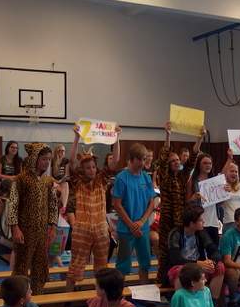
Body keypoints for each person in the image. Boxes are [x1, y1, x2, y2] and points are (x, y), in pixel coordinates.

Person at [65, 124, 121, 291]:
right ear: (82, 169)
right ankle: (67, 300)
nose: (91, 170)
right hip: (81, 230)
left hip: (101, 229)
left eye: (93, 167)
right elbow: (72, 161)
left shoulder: (101, 180)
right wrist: (76, 137)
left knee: (102, 267)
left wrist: (117, 138)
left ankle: (101, 297)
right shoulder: (77, 181)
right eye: (87, 167)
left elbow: (115, 162)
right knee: (75, 266)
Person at [154, 122, 203, 285]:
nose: (176, 162)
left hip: (180, 221)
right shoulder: (165, 177)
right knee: (164, 253)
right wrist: (168, 134)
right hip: (167, 222)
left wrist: (199, 137)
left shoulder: (182, 177)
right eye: (173, 161)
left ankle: (180, 280)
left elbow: (192, 159)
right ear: (168, 164)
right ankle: (162, 281)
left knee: (180, 252)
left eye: (177, 160)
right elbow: (163, 158)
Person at [7, 143, 59, 295]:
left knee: (40, 266)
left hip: (42, 232)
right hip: (24, 232)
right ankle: (18, 299)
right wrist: (15, 228)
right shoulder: (21, 179)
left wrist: (53, 227)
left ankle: (37, 298)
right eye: (43, 159)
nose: (47, 162)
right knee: (22, 267)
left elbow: (53, 205)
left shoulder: (48, 181)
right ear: (34, 159)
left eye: (49, 159)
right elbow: (13, 204)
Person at [167, 206, 226, 307]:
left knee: (220, 266)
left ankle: (212, 304)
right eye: (200, 220)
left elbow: (215, 251)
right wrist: (198, 263)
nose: (203, 222)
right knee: (179, 270)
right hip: (182, 267)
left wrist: (211, 262)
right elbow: (175, 259)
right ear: (191, 223)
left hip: (199, 268)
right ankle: (183, 306)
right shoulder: (175, 234)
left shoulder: (201, 232)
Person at [113, 143, 157, 282]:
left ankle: (144, 290)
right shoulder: (121, 178)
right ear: (132, 159)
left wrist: (142, 222)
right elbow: (117, 204)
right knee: (123, 266)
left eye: (145, 159)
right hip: (126, 229)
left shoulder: (146, 177)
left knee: (145, 263)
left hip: (143, 228)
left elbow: (151, 203)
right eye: (140, 159)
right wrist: (131, 225)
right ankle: (118, 293)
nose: (143, 163)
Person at [186, 152, 224, 245]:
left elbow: (221, 202)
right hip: (199, 221)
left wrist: (225, 191)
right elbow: (187, 202)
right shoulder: (192, 181)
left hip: (213, 221)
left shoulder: (215, 180)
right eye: (205, 163)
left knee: (214, 250)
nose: (208, 165)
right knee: (201, 250)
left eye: (210, 163)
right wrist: (193, 198)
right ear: (199, 165)